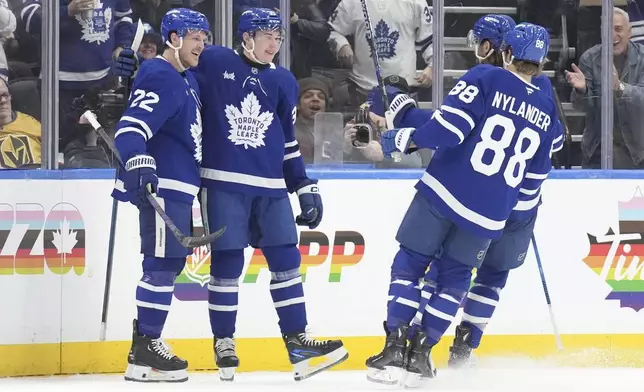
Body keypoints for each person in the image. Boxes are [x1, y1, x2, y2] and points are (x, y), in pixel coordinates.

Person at [364, 17, 564, 381]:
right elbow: (538, 171)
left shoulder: (485, 78)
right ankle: (424, 354)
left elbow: (448, 130)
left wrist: (398, 139)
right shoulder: (547, 106)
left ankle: (395, 346)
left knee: (409, 266)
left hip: (444, 192)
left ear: (505, 51)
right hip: (490, 215)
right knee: (455, 281)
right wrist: (512, 211)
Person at [191, 8, 347, 382]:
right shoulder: (214, 61)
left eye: (278, 37)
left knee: (287, 261)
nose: (274, 43)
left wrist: (302, 183)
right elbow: (179, 80)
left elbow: (288, 140)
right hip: (223, 181)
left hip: (272, 189)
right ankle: (225, 342)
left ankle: (297, 342)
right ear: (245, 37)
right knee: (227, 264)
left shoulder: (284, 81)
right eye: (266, 36)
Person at [110, 8, 210, 383]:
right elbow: (131, 127)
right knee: (160, 265)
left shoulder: (187, 80)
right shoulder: (162, 74)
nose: (201, 43)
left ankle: (146, 345)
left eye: (204, 36)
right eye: (194, 35)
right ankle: (145, 348)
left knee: (168, 265)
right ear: (173, 39)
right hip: (163, 185)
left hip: (180, 186)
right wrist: (137, 158)